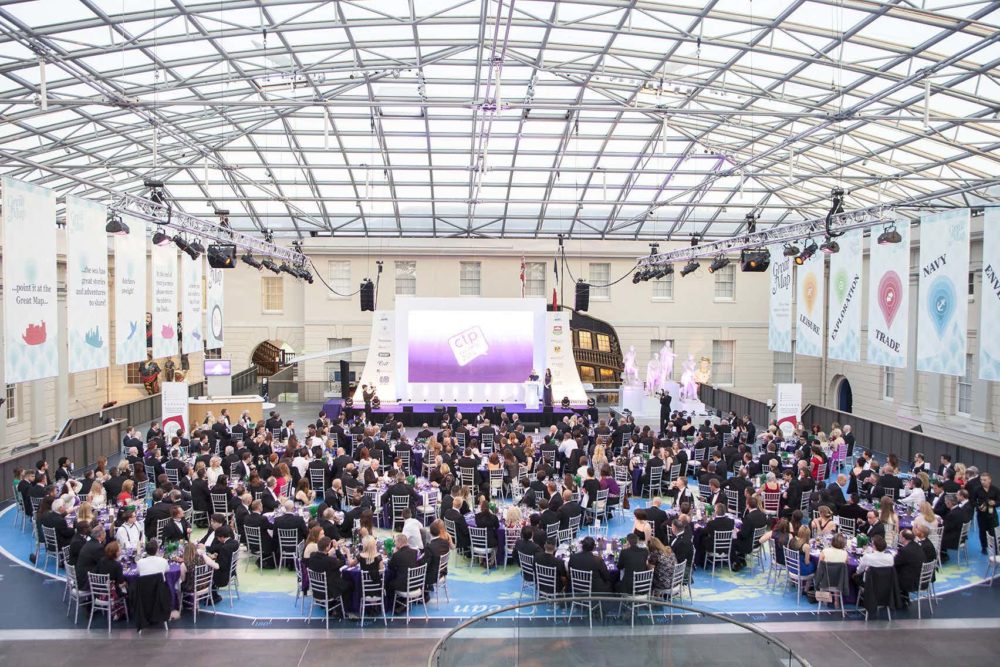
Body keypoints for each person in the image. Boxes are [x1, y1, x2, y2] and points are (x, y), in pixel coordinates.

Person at [386, 533, 424, 605]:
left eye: (395, 542)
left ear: (399, 543)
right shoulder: (415, 552)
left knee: (387, 583)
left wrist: (394, 553)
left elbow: (390, 567)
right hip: (416, 583)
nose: (395, 544)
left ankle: (392, 605)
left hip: (405, 586)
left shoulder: (397, 555)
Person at [972, 472, 1000, 554]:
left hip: (992, 515)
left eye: (984, 480)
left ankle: (997, 548)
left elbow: (999, 501)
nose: (982, 481)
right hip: (982, 515)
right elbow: (972, 501)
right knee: (982, 531)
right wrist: (978, 506)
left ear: (989, 480)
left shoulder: (996, 489)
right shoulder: (977, 490)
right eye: (981, 480)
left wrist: (995, 503)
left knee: (994, 531)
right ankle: (984, 547)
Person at [894, 529, 926, 594]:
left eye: (900, 536)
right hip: (921, 579)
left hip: (911, 582)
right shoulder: (917, 546)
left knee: (890, 574)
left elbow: (894, 562)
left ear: (903, 538)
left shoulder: (904, 550)